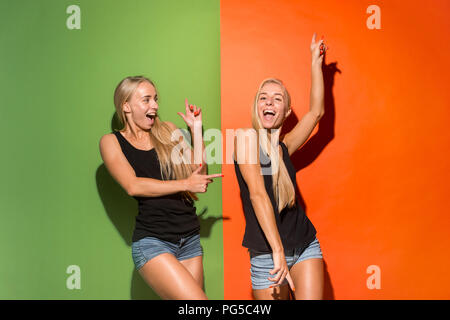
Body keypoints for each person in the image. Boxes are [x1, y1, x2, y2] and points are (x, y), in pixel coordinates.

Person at [99, 76, 222, 300]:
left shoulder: (167, 130)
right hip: (154, 242)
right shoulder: (111, 142)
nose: (154, 105)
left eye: (155, 99)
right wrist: (185, 184)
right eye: (146, 100)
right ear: (126, 106)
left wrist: (196, 130)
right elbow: (133, 185)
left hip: (190, 239)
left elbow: (199, 175)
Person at [233, 33, 327, 300]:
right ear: (256, 107)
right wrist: (277, 250)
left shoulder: (283, 146)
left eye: (277, 98)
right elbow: (257, 194)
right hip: (267, 253)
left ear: (286, 111)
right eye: (263, 98)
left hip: (304, 245)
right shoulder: (245, 139)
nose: (269, 103)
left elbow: (315, 113)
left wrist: (314, 62)